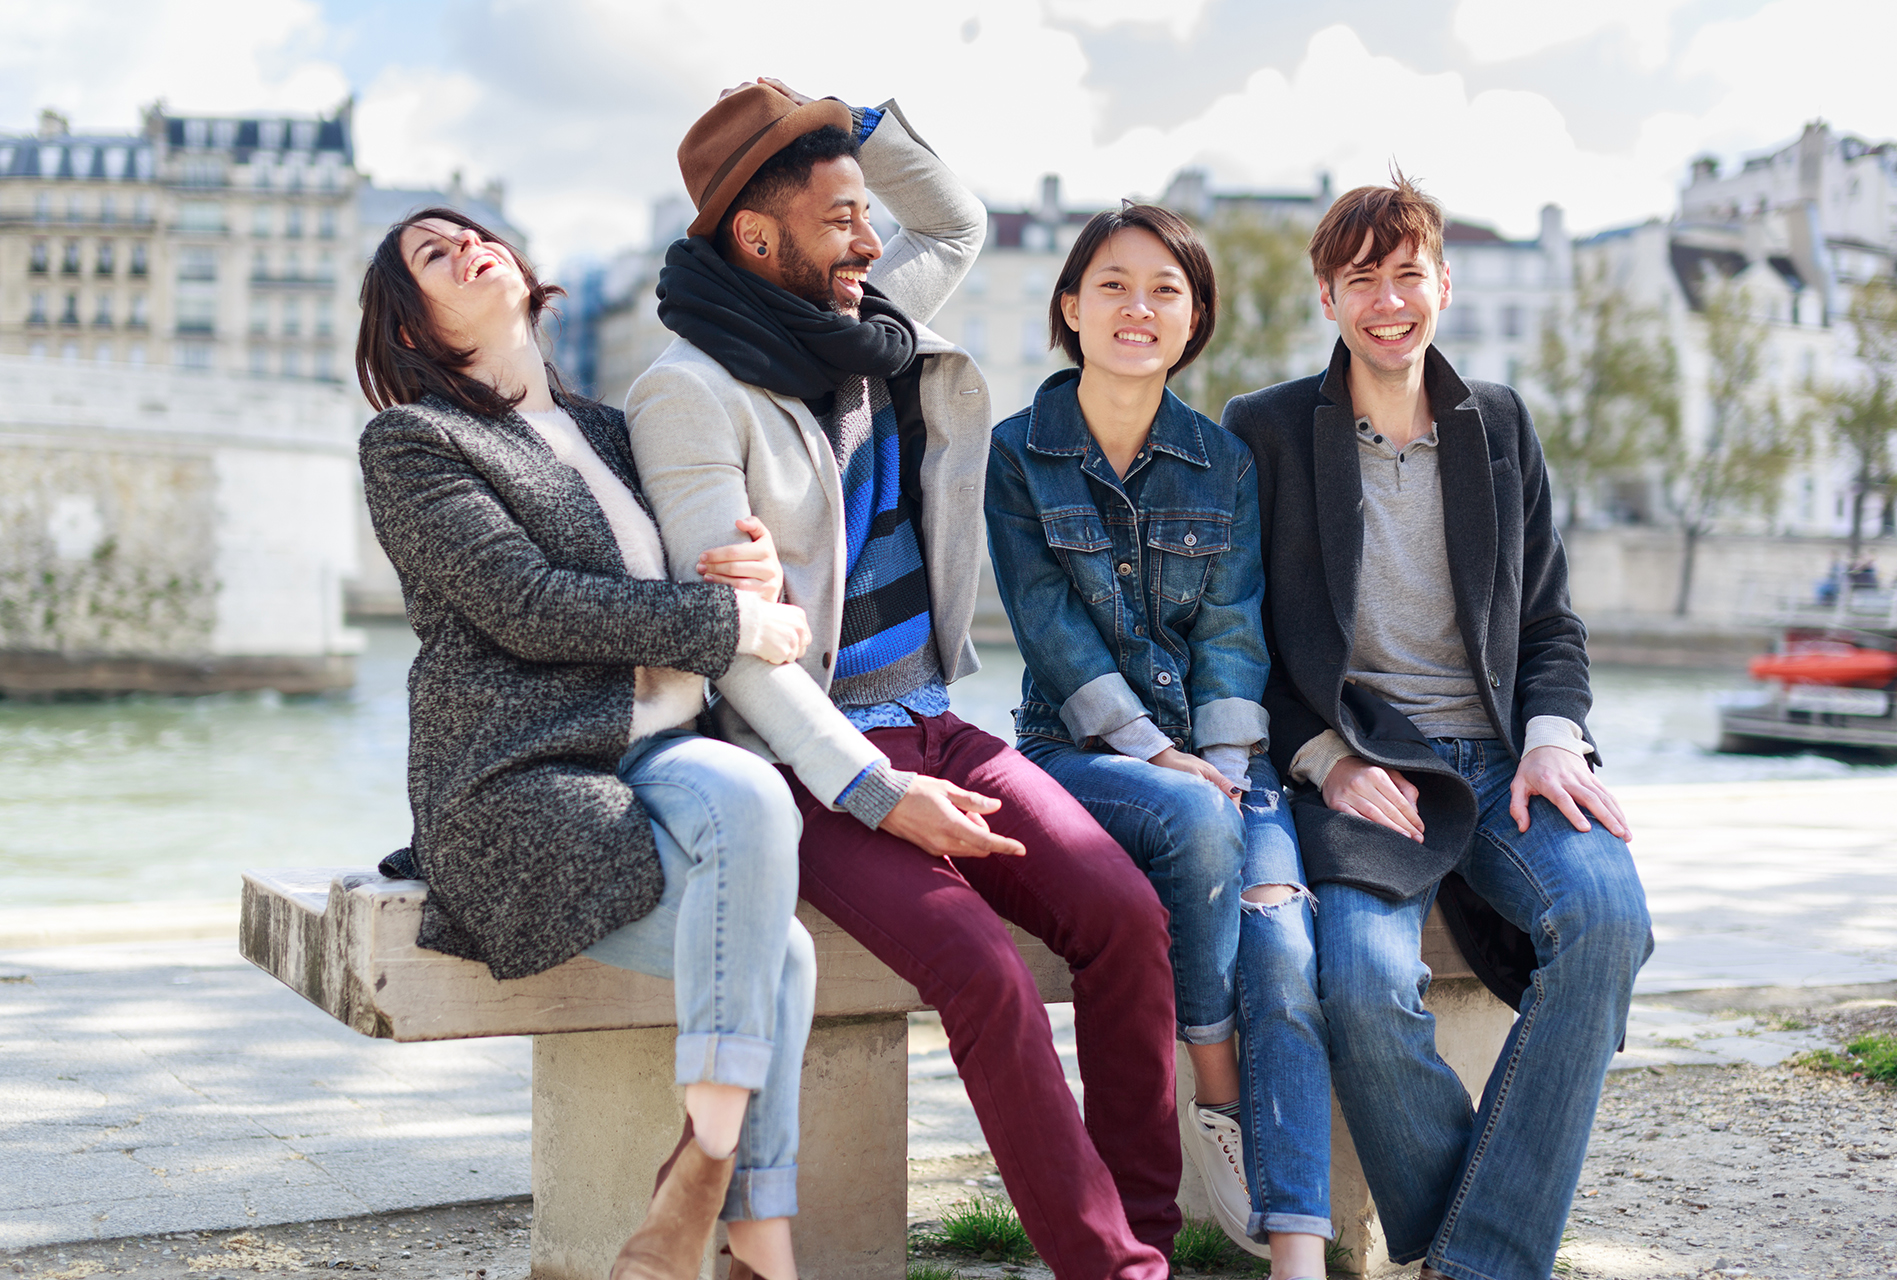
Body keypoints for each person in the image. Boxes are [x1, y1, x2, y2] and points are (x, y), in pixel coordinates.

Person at [627, 79, 1182, 1280]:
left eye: (867, 214)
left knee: (1128, 915)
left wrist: (844, 123)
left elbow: (959, 224)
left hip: (937, 717)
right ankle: (1112, 1268)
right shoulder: (687, 394)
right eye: (840, 217)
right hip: (808, 765)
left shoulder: (861, 318)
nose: (870, 240)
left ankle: (1151, 1233)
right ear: (761, 239)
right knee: (984, 973)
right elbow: (739, 646)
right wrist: (877, 792)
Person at [355, 207, 816, 1280]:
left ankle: (711, 1191)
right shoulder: (418, 443)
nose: (469, 247)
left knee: (755, 799)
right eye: (434, 254)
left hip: (656, 754)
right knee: (780, 952)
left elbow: (680, 582)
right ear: (412, 325)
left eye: (473, 233)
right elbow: (527, 604)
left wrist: (742, 575)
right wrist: (731, 626)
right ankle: (743, 1221)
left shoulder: (612, 428)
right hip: (526, 778)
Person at [1221, 175, 1654, 1280]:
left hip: (1508, 757)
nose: (1387, 299)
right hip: (1372, 768)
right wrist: (1323, 755)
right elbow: (1232, 644)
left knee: (1605, 917)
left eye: (1407, 272)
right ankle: (1482, 1251)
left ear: (1443, 285)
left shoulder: (1500, 423)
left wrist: (1556, 732)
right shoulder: (1265, 431)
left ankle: (1469, 1262)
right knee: (1361, 985)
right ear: (1328, 296)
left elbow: (1552, 619)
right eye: (1360, 277)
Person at [984, 204, 1330, 1280]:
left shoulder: (1221, 458)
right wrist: (1156, 751)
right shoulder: (1016, 453)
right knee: (1185, 812)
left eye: (1165, 290)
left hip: (1223, 761)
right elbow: (1049, 628)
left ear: (1195, 318)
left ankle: (1294, 1247)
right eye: (1115, 285)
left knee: (1284, 942)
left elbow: (1235, 623)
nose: (1139, 308)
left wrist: (1225, 764)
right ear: (1070, 307)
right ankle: (1214, 1085)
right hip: (1080, 752)